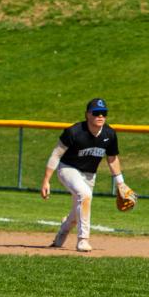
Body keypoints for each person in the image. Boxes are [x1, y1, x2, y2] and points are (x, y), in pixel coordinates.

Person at [41, 97, 126, 252]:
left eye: (104, 113)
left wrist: (120, 182)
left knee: (78, 211)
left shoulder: (109, 134)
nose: (100, 116)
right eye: (96, 113)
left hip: (89, 175)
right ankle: (83, 240)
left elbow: (112, 159)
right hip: (68, 169)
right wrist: (46, 180)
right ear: (87, 114)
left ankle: (63, 232)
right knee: (85, 195)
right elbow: (56, 155)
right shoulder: (74, 131)